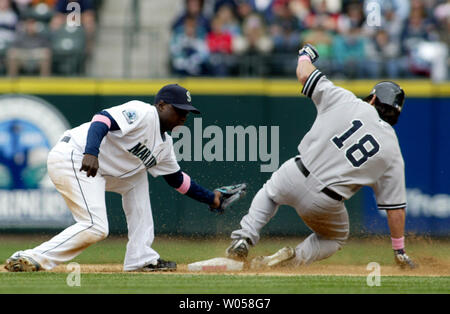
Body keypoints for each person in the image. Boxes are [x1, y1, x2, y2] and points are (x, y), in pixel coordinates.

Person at [5, 84, 246, 272]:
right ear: (162, 105)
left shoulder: (165, 145)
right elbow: (102, 120)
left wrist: (211, 199)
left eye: (188, 112)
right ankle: (30, 257)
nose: (184, 116)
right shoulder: (143, 113)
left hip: (99, 171)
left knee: (137, 179)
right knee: (96, 228)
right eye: (179, 110)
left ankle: (140, 258)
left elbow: (176, 179)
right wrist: (91, 152)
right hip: (75, 157)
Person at [225, 44, 416, 270]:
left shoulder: (346, 100)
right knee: (335, 237)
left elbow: (304, 73)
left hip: (296, 172)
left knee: (270, 192)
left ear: (372, 99)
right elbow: (395, 210)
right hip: (326, 201)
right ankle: (291, 259)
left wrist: (305, 54)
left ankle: (244, 238)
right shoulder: (393, 150)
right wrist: (399, 250)